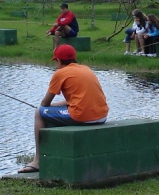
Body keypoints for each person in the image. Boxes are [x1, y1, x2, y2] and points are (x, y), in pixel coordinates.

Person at [18, 43, 109, 174]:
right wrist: (53, 108)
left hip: (82, 116)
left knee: (39, 113)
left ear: (59, 61)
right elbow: (73, 100)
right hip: (101, 116)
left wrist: (45, 107)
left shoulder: (60, 73)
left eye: (56, 62)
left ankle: (37, 161)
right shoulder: (86, 69)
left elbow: (45, 103)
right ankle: (55, 155)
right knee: (48, 114)